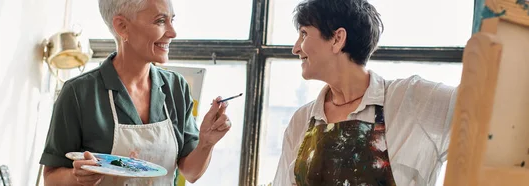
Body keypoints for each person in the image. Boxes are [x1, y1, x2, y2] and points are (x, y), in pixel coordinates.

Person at [39, 0, 233, 185]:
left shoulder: (176, 88)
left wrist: (206, 143)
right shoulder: (78, 93)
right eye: (160, 21)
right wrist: (77, 177)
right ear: (122, 26)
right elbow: (51, 179)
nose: (173, 33)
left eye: (171, 20)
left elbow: (191, 173)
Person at [272, 0, 458, 185]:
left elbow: (482, 107)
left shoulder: (410, 99)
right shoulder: (301, 120)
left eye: (304, 34)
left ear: (337, 39)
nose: (295, 48)